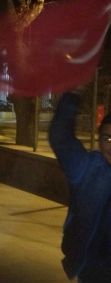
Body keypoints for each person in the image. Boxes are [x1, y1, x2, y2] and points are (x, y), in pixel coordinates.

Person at [49, 89, 111, 282]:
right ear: (99, 141)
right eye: (108, 139)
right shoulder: (87, 168)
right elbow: (61, 138)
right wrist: (73, 93)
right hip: (93, 269)